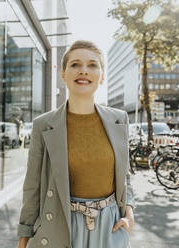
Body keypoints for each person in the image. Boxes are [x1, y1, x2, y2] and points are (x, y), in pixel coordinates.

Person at [17, 40, 135, 248]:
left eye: (92, 65)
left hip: (110, 227)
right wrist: (24, 236)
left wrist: (130, 213)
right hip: (61, 225)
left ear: (102, 76)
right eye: (75, 65)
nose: (83, 71)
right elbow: (33, 186)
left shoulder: (120, 119)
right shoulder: (43, 125)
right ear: (63, 74)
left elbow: (124, 172)